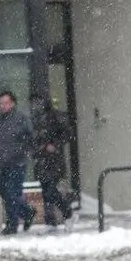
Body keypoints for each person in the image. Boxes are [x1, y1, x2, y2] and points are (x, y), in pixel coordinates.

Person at [0, 90, 36, 235]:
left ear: (13, 103)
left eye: (6, 103)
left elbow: (30, 138)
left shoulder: (20, 118)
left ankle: (12, 224)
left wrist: (21, 151)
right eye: (1, 103)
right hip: (2, 163)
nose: (3, 106)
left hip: (17, 162)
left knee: (12, 193)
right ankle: (27, 212)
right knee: (2, 191)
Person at [30, 95, 76, 232]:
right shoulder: (36, 119)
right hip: (41, 159)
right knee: (46, 192)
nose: (35, 106)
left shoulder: (55, 116)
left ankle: (68, 213)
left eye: (38, 102)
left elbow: (68, 133)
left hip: (53, 160)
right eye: (33, 103)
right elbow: (34, 138)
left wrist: (55, 144)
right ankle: (50, 221)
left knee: (50, 190)